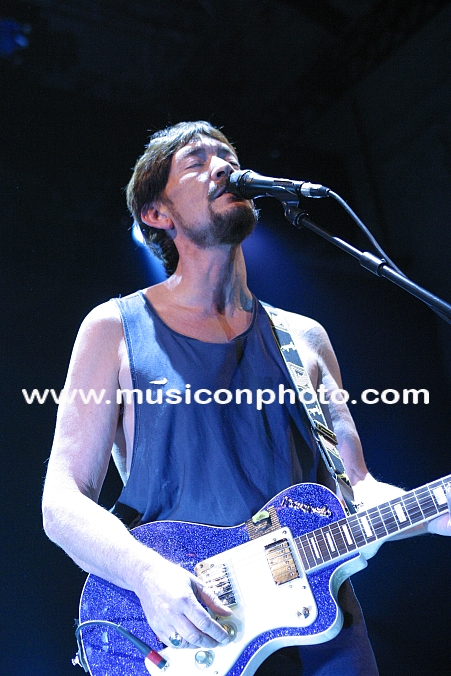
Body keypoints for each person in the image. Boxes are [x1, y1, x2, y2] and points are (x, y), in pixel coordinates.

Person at [42, 120, 451, 675]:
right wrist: (146, 574)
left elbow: (358, 490)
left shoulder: (303, 338)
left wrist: (434, 511)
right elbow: (62, 502)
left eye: (227, 157)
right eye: (197, 162)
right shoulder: (114, 329)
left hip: (324, 629)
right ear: (157, 214)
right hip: (187, 632)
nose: (223, 167)